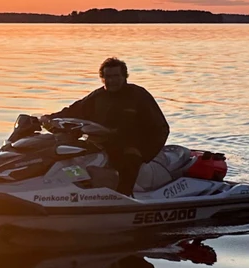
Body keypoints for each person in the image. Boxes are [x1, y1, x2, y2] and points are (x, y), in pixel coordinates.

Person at [44, 57, 168, 195]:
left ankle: (124, 198)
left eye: (116, 76)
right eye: (108, 76)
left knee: (128, 163)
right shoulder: (97, 97)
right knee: (70, 157)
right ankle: (63, 193)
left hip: (131, 147)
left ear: (124, 76)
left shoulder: (139, 96)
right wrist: (48, 118)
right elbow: (73, 110)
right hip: (100, 145)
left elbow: (161, 128)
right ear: (102, 78)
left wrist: (145, 153)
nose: (112, 80)